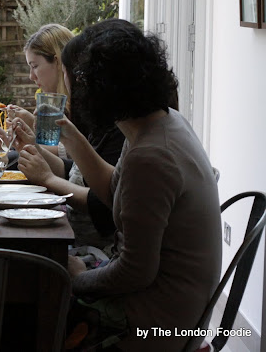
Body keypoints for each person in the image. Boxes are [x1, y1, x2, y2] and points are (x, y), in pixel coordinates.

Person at [56, 19, 221, 351]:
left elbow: (135, 272)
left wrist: (78, 279)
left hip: (158, 322)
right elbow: (115, 193)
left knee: (39, 307)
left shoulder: (151, 156)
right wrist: (71, 138)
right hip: (173, 300)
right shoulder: (158, 123)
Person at [15, 28, 124, 250]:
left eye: (78, 74)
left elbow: (104, 206)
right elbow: (76, 172)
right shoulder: (105, 121)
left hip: (93, 249)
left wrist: (47, 178)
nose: (31, 77)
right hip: (76, 237)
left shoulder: (120, 129)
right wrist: (33, 146)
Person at [0, 23, 74, 151]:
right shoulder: (53, 101)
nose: (31, 76)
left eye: (35, 66)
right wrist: (8, 141)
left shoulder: (84, 106)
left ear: (57, 61)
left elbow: (68, 154)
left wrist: (32, 124)